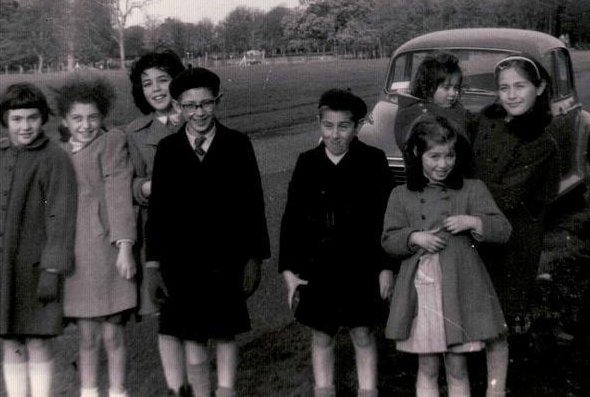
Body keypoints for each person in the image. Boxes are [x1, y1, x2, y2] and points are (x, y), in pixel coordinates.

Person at [146, 67, 270, 397]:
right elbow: (158, 213)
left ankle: (226, 391)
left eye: (206, 104)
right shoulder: (169, 150)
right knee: (192, 336)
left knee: (226, 333)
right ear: (178, 107)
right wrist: (153, 265)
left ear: (218, 101)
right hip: (181, 263)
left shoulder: (237, 145)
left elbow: (253, 205)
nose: (199, 113)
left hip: (226, 260)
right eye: (189, 106)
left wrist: (254, 258)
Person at [0, 83, 78, 397]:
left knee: (38, 340)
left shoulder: (54, 158)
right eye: (17, 119)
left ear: (42, 119)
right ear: (5, 120)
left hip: (36, 269)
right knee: (11, 340)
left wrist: (52, 270)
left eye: (32, 118)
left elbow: (60, 217)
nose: (25, 126)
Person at [382, 115, 511, 397]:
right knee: (427, 367)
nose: (443, 164)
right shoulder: (400, 195)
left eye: (449, 155)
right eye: (434, 156)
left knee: (456, 367)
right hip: (421, 293)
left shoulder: (472, 188)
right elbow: (389, 240)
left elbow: (503, 230)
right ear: (417, 154)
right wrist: (413, 237)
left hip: (459, 292)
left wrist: (473, 222)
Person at [278, 89, 395, 397]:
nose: (335, 134)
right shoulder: (307, 163)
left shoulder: (372, 161)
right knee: (321, 336)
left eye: (344, 126)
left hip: (362, 267)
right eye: (328, 126)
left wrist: (385, 267)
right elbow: (291, 220)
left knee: (363, 334)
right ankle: (324, 389)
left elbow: (387, 219)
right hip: (319, 270)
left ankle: (368, 390)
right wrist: (289, 270)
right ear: (319, 123)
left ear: (357, 126)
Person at [471, 54, 560, 396]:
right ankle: (467, 379)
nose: (511, 95)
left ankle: (496, 386)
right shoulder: (486, 120)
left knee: (499, 318)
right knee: (472, 307)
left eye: (520, 86)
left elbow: (505, 195)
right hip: (476, 231)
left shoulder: (541, 142)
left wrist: (458, 200)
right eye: (504, 87)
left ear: (539, 88)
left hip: (514, 239)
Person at [54, 77, 138, 397]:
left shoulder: (111, 142)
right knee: (86, 338)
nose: (85, 125)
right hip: (74, 256)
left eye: (92, 117)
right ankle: (88, 392)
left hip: (106, 250)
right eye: (77, 118)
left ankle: (118, 391)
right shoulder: (57, 152)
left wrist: (125, 247)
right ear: (65, 121)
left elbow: (118, 193)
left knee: (113, 335)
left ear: (102, 118)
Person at [125, 51, 190, 396]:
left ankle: (203, 383)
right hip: (161, 235)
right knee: (168, 316)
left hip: (201, 233)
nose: (156, 89)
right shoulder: (134, 134)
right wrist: (147, 187)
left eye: (163, 80)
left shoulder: (196, 118)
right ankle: (177, 387)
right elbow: (128, 184)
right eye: (147, 83)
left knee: (201, 313)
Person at [394, 52, 473, 152]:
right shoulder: (411, 114)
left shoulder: (456, 107)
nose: (453, 93)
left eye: (456, 87)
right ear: (429, 88)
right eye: (446, 87)